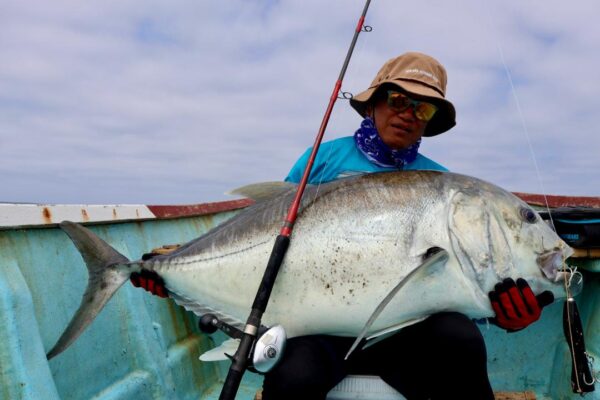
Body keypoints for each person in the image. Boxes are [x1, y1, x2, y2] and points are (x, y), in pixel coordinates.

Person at [131, 52, 553, 400]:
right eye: (396, 99)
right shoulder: (323, 160)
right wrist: (170, 267)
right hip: (319, 331)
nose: (407, 113)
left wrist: (503, 316)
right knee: (294, 377)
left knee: (460, 341)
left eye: (421, 107)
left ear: (430, 121)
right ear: (373, 103)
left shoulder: (442, 183)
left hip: (402, 337)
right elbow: (262, 236)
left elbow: (457, 287)